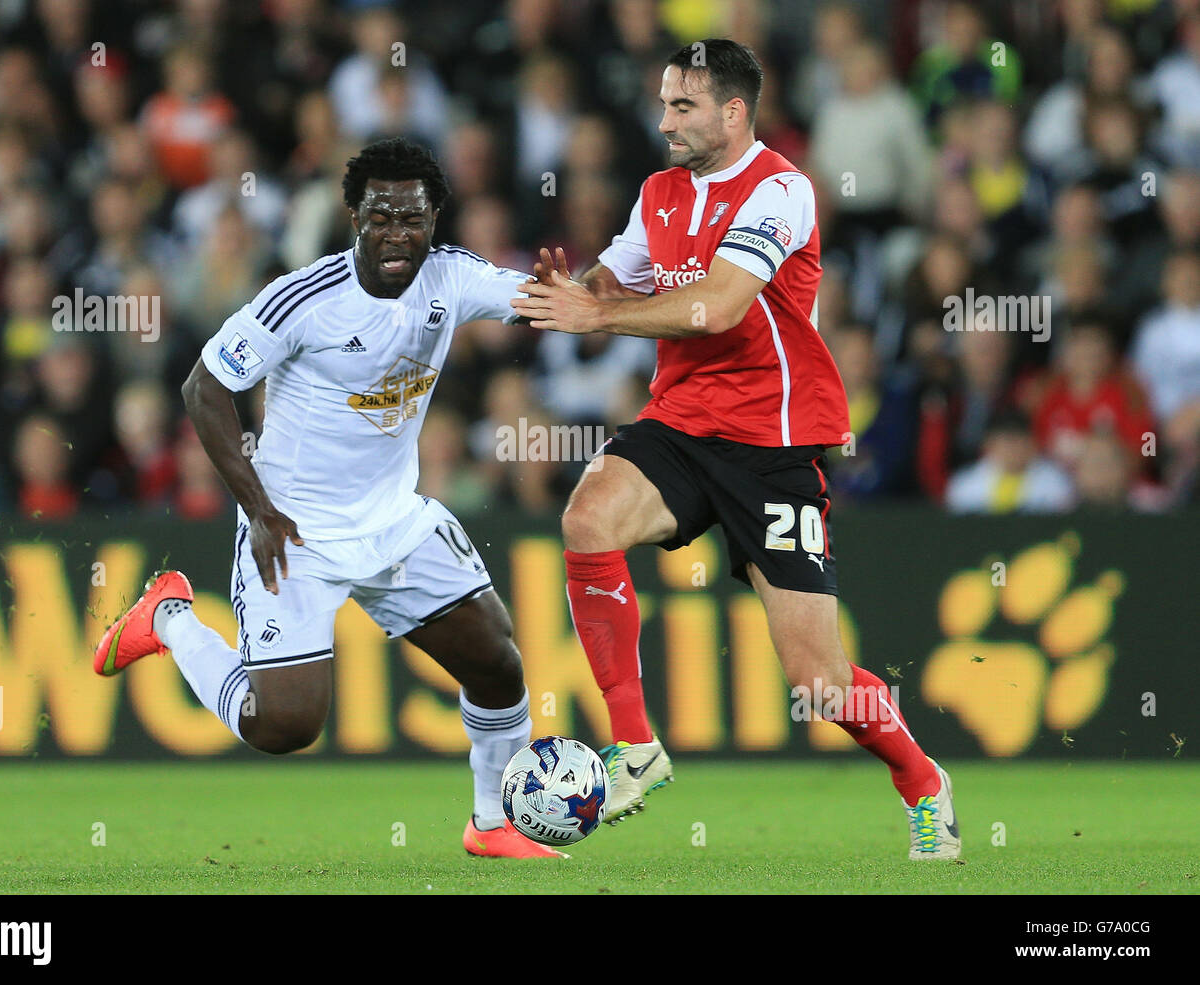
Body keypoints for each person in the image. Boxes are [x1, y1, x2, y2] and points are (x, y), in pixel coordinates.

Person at [511, 39, 960, 859]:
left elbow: (716, 307)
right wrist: (568, 293)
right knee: (588, 517)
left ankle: (923, 781)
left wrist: (598, 317)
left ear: (733, 111)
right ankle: (634, 747)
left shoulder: (781, 189)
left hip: (773, 445)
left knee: (820, 685)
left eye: (681, 106)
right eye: (663, 102)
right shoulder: (659, 192)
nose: (664, 120)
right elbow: (612, 283)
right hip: (681, 422)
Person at [93, 138, 564, 859]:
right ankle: (171, 617)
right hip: (295, 533)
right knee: (284, 726)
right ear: (353, 214)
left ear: (435, 216)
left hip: (396, 523)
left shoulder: (452, 279)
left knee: (498, 665)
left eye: (412, 217)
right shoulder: (303, 299)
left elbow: (542, 299)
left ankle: (492, 822)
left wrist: (582, 292)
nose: (397, 234)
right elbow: (204, 387)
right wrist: (258, 509)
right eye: (380, 216)